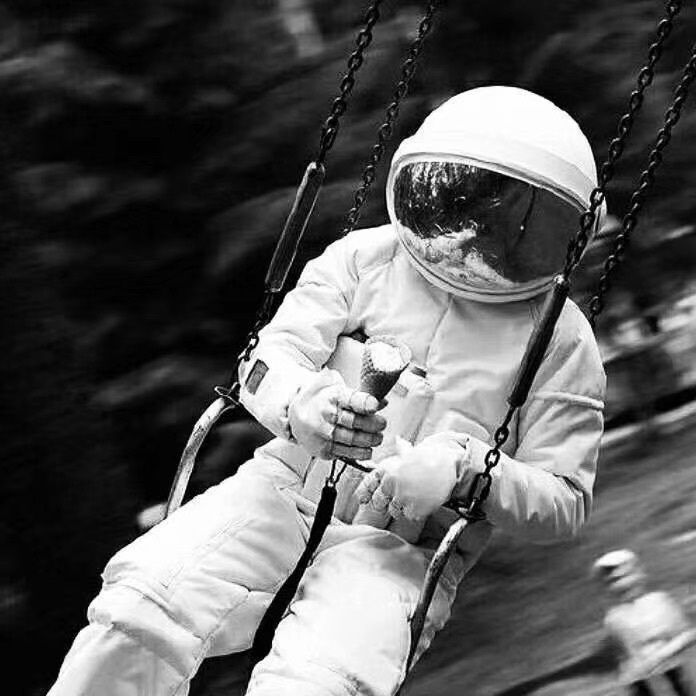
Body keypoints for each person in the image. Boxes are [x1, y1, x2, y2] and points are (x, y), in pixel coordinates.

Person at [47, 86, 607, 696]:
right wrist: (303, 404)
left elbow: (564, 499)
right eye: (468, 197)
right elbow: (264, 361)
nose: (477, 237)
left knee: (323, 682)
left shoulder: (561, 339)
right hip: (281, 490)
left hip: (402, 548)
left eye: (518, 219)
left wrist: (466, 470)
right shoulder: (365, 258)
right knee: (140, 608)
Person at [593, 549, 696, 696]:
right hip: (643, 680)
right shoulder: (614, 618)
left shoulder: (660, 602)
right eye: (613, 581)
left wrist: (663, 654)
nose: (623, 585)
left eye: (626, 576)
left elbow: (687, 634)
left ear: (640, 574)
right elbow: (626, 657)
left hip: (672, 670)